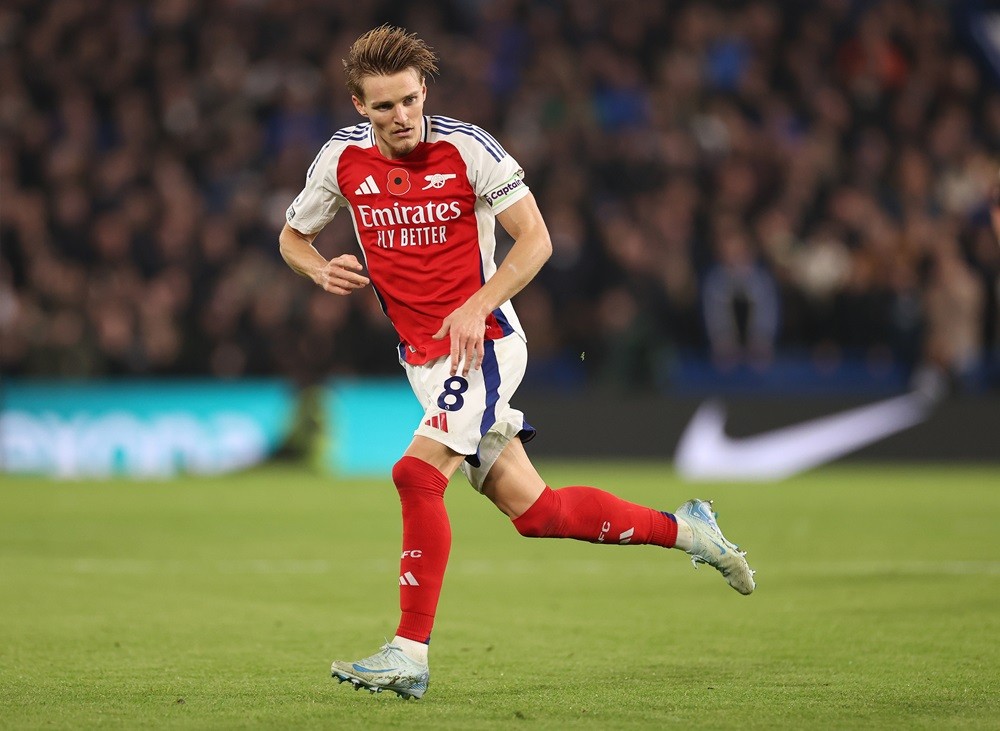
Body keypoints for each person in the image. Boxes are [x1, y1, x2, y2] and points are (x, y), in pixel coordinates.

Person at [278, 25, 755, 701]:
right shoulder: (340, 162)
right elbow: (292, 236)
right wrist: (320, 269)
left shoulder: (469, 149)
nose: (402, 116)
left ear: (424, 91)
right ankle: (689, 530)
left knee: (416, 473)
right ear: (359, 105)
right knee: (536, 510)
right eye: (384, 106)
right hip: (422, 359)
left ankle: (409, 651)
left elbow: (536, 241)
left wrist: (479, 303)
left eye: (410, 100)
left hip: (484, 343)